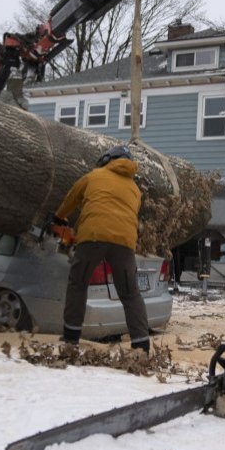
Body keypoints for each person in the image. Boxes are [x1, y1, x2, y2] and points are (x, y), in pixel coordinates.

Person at [50, 145, 151, 352]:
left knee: (78, 283)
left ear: (107, 160)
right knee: (130, 294)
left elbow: (72, 197)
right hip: (124, 243)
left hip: (93, 237)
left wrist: (59, 217)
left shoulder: (94, 176)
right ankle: (141, 345)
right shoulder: (135, 189)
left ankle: (71, 339)